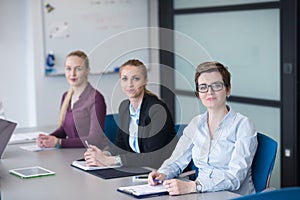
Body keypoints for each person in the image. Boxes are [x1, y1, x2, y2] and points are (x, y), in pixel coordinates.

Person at [148, 61, 258, 196]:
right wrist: (162, 173)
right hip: (201, 194)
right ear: (198, 93)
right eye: (203, 87)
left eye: (216, 86)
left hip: (233, 196)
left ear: (228, 90)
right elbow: (176, 162)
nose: (209, 92)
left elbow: (235, 178)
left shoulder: (243, 125)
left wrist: (195, 186)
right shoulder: (196, 123)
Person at [84, 59, 178, 169]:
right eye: (125, 79)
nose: (129, 84)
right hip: (139, 169)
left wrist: (111, 161)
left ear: (145, 81)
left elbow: (153, 157)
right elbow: (120, 146)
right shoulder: (124, 107)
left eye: (136, 79)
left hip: (162, 171)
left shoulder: (157, 110)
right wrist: (103, 155)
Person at [37, 50, 108, 148]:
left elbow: (94, 140)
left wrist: (59, 142)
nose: (72, 73)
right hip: (71, 152)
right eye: (68, 69)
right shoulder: (66, 96)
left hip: (92, 156)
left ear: (87, 70)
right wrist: (48, 138)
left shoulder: (96, 98)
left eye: (78, 69)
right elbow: (64, 130)